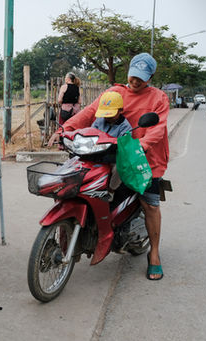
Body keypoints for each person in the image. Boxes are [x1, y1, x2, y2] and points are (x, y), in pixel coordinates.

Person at [48, 52, 169, 280]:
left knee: (150, 204)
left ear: (150, 77)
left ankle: (154, 254)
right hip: (108, 154)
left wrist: (139, 146)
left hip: (145, 158)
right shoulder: (114, 92)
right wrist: (63, 130)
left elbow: (158, 129)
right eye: (133, 76)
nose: (135, 81)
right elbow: (88, 114)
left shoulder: (159, 98)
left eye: (141, 78)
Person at [91, 91, 132, 201]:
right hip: (96, 153)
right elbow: (91, 132)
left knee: (120, 166)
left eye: (111, 113)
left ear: (120, 110)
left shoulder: (125, 126)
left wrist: (116, 144)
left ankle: (111, 190)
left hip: (113, 156)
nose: (107, 117)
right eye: (105, 113)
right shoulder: (99, 121)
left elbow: (124, 143)